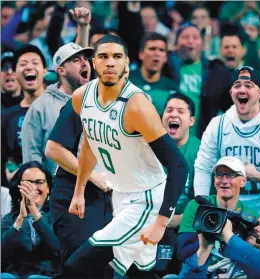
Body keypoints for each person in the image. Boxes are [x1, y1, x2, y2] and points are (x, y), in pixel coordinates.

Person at [56, 35, 188, 278]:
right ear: (93, 62)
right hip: (121, 195)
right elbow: (90, 143)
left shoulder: (136, 106)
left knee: (77, 266)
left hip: (146, 199)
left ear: (126, 63)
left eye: (117, 57)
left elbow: (178, 165)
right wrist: (79, 191)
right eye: (103, 56)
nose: (110, 63)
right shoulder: (82, 97)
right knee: (142, 273)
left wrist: (160, 222)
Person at [194, 66, 260, 216]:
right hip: (229, 214)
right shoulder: (217, 125)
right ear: (231, 92)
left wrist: (257, 176)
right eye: (237, 85)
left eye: (248, 86)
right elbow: (203, 167)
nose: (242, 90)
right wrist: (204, 205)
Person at [45, 97, 113, 276]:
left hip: (108, 196)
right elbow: (53, 149)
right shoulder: (81, 101)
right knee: (81, 265)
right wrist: (91, 176)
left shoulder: (129, 105)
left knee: (104, 269)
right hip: (73, 193)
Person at [177, 156, 259, 278]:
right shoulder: (197, 206)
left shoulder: (250, 216)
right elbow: (183, 252)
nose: (224, 180)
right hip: (199, 272)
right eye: (219, 175)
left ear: (243, 181)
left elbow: (253, 259)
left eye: (231, 175)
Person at [21, 42, 93, 175]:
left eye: (86, 59)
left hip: (96, 188)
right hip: (58, 192)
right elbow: (32, 157)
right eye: (76, 60)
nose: (84, 63)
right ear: (61, 70)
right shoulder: (40, 107)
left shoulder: (97, 100)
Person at [157, 93, 201, 276]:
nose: (173, 115)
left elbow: (208, 200)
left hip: (188, 227)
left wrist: (179, 219)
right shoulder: (149, 148)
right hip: (153, 224)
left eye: (180, 111)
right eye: (169, 110)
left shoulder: (201, 152)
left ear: (191, 120)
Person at [1, 161, 60, 279]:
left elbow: (58, 250)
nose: (33, 188)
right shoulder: (10, 219)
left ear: (48, 188)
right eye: (28, 183)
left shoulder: (58, 217)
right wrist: (20, 219)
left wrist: (35, 213)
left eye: (39, 182)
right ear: (19, 188)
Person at [1, 45, 46, 183]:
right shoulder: (7, 117)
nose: (29, 67)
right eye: (23, 64)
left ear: (45, 70)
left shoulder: (60, 107)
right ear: (14, 73)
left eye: (35, 63)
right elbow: (7, 160)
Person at [130, 32, 178, 116]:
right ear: (141, 54)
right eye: (152, 49)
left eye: (161, 50)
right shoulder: (126, 82)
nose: (157, 54)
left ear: (166, 57)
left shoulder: (172, 89)